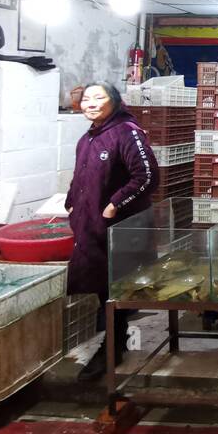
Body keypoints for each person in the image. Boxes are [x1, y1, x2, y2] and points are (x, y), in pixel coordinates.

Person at [66, 82, 160, 382]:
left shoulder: (127, 131)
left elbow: (147, 176)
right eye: (86, 99)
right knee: (102, 284)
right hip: (91, 226)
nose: (90, 103)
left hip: (122, 227)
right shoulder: (87, 138)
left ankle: (112, 348)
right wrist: (71, 203)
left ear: (115, 101)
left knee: (118, 286)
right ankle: (112, 341)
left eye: (99, 98)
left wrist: (115, 205)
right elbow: (79, 176)